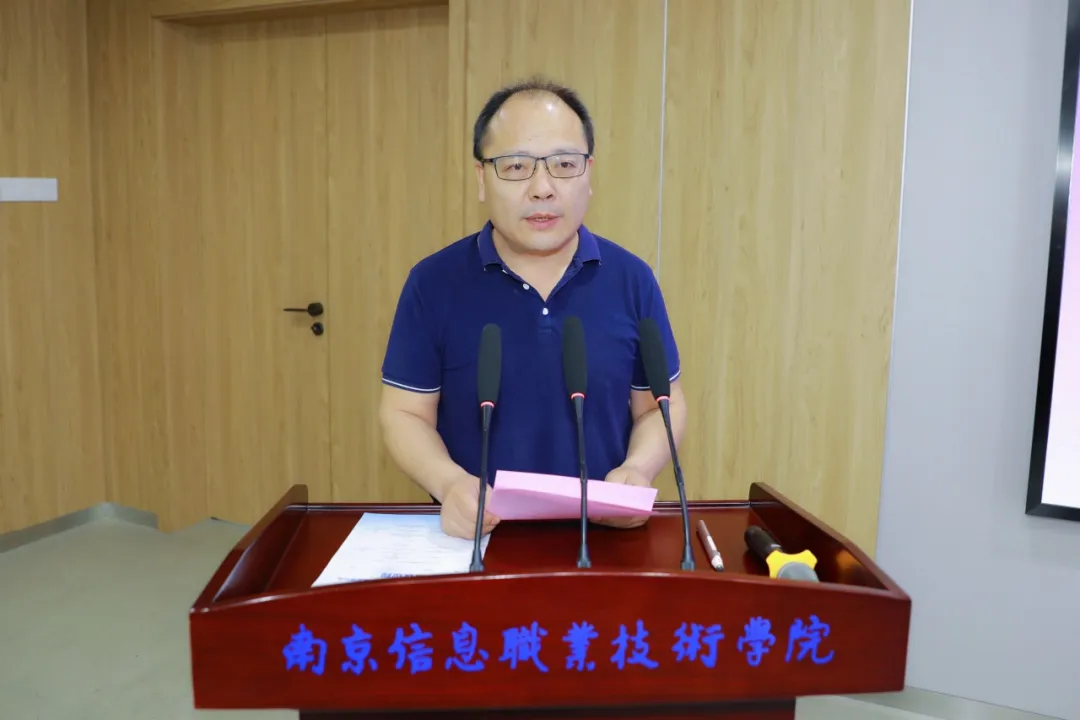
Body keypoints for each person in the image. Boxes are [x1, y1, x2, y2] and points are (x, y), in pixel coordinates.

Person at [378, 77, 686, 540]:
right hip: (478, 537)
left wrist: (638, 470)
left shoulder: (632, 280)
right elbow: (404, 414)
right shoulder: (433, 282)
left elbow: (661, 406)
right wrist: (449, 483)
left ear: (589, 173)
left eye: (564, 164)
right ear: (481, 178)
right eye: (517, 166)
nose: (542, 188)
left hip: (603, 537)